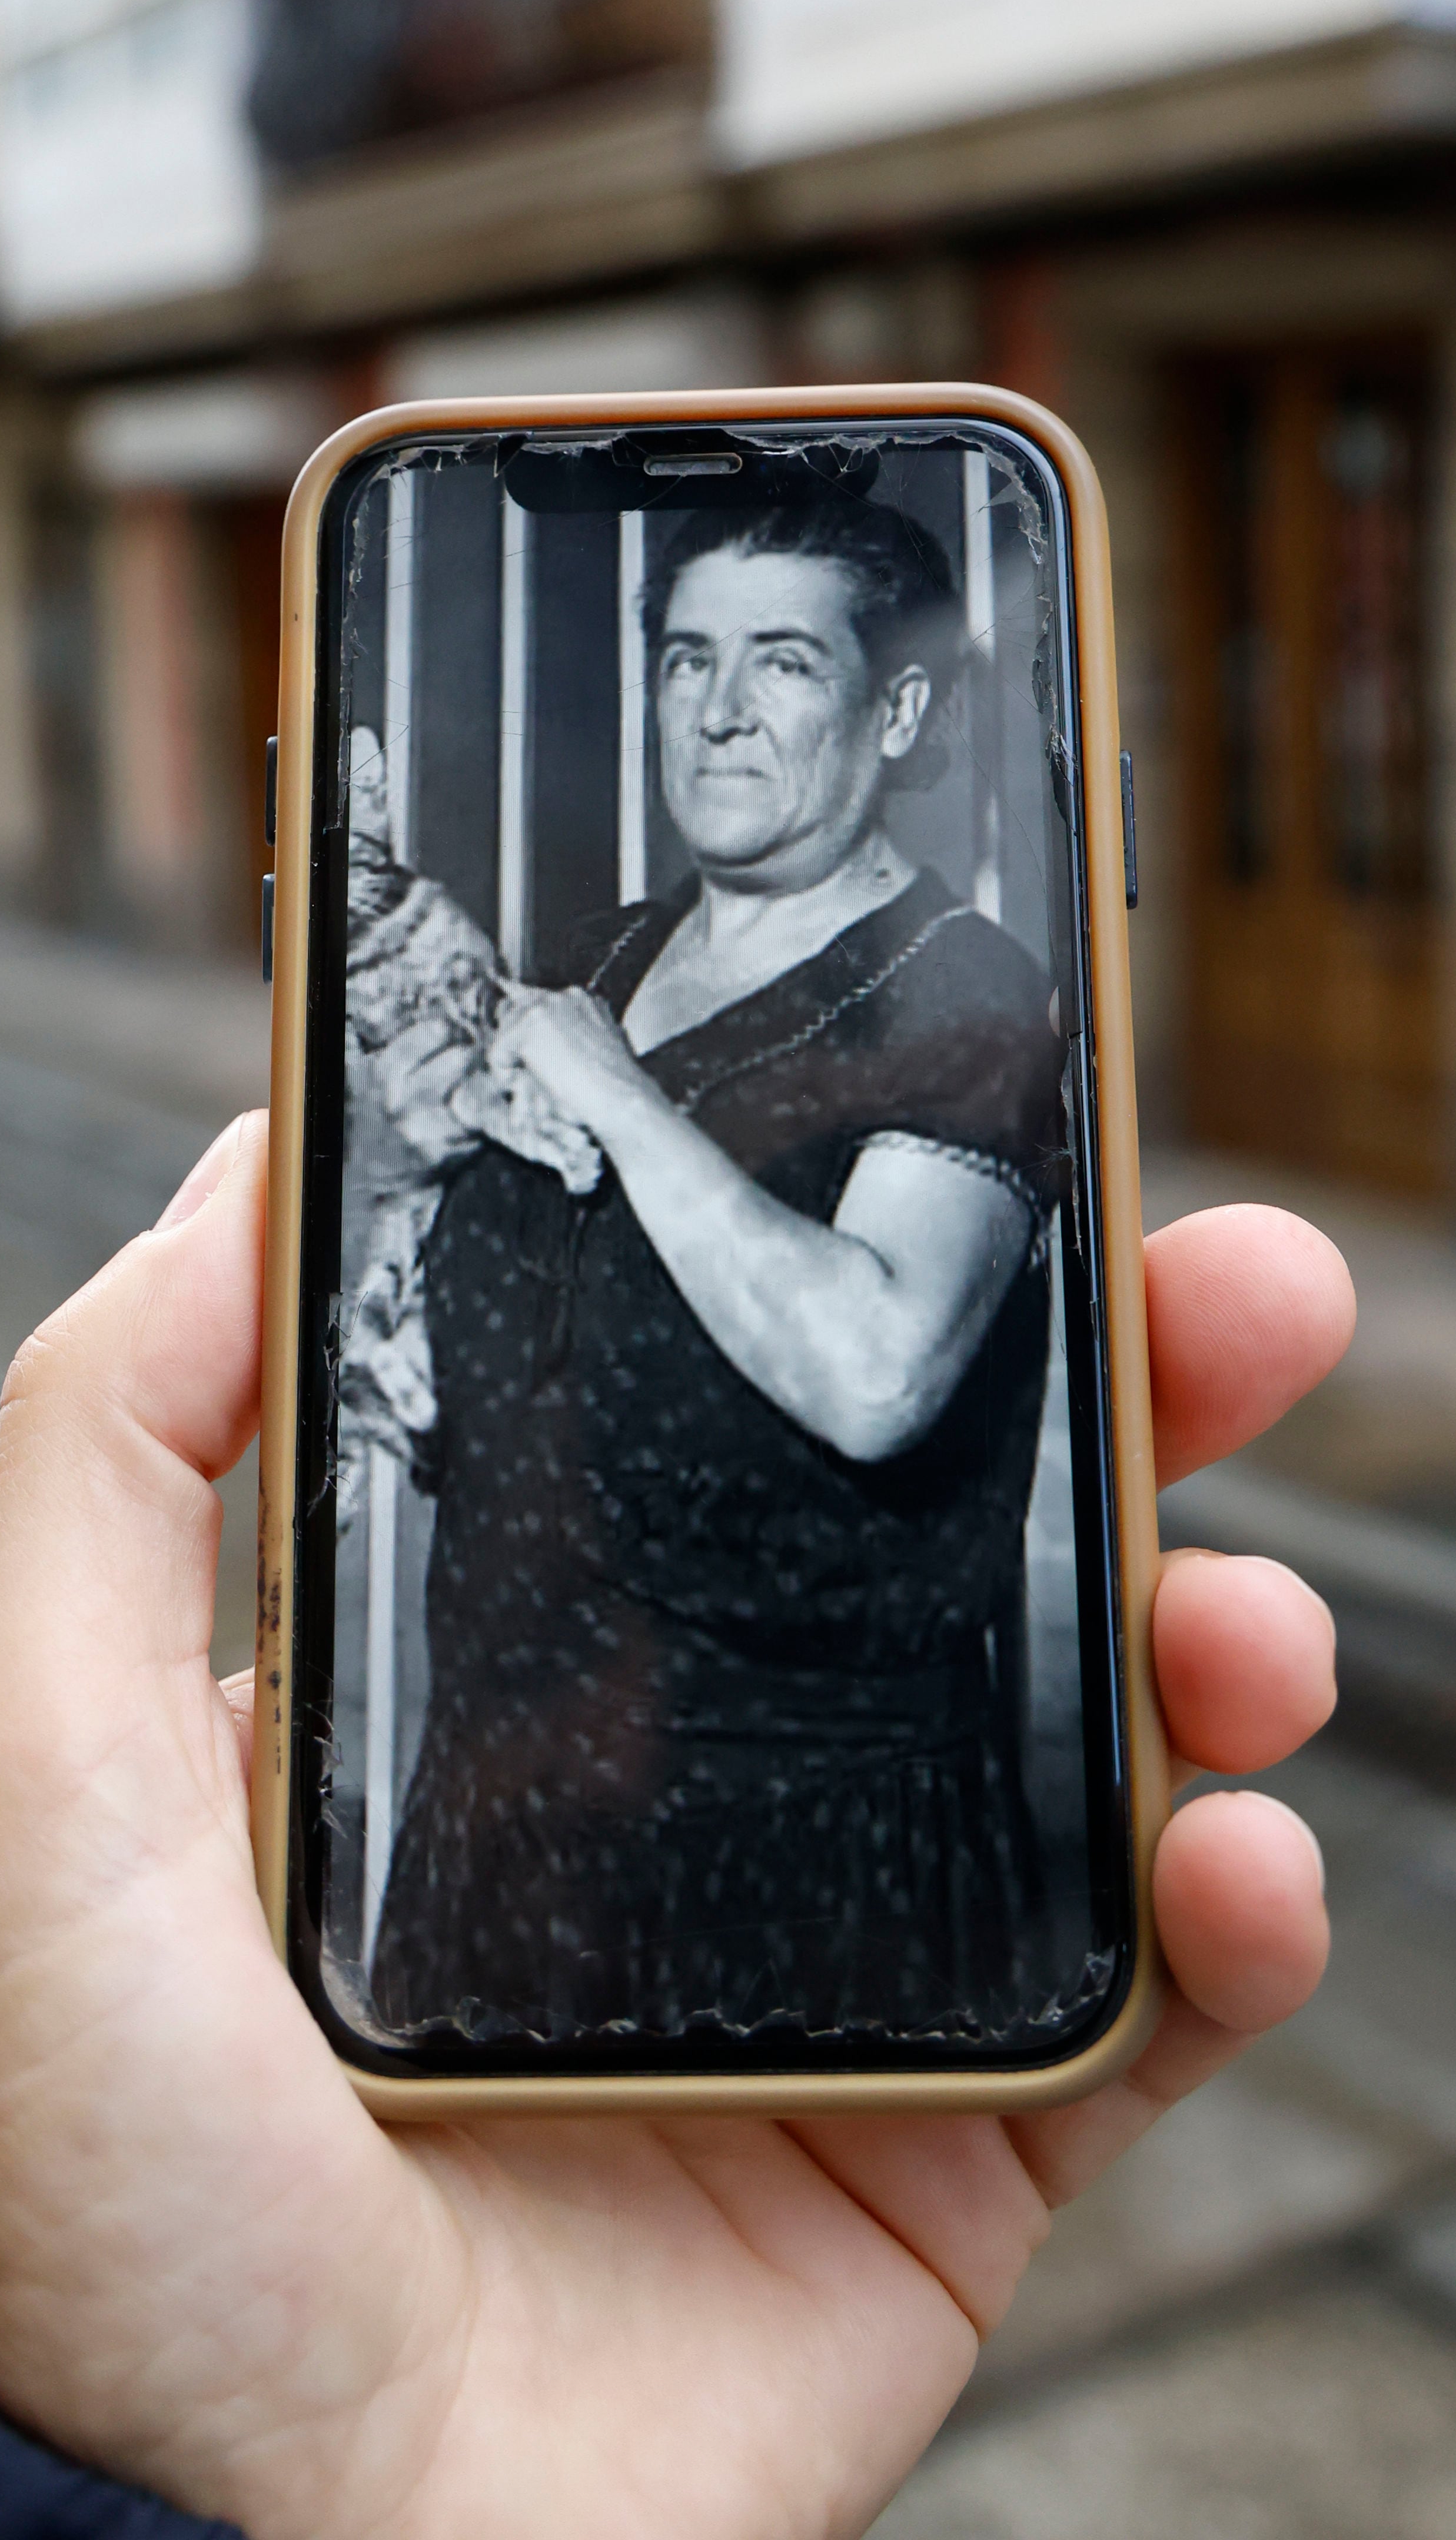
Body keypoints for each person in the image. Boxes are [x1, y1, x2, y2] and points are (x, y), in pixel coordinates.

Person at [0, 1113, 1351, 2536]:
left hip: (819, 1818)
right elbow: (582, 1392)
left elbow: (868, 1380)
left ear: (884, 750)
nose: (719, 751)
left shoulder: (931, 999)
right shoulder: (631, 960)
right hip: (518, 1792)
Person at [370, 494, 1076, 2045]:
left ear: (896, 711)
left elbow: (877, 1373)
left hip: (799, 1871)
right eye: (687, 661)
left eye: (782, 665)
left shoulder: (964, 995)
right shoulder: (608, 952)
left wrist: (618, 1097)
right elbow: (516, 1326)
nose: (720, 712)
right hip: (508, 1825)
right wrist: (411, 1198)